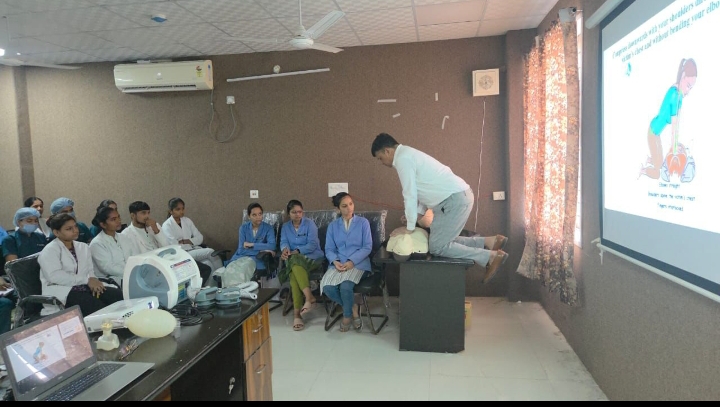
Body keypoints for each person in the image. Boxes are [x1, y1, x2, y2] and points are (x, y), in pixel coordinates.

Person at [371, 133, 509, 283]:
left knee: (438, 247)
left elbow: (409, 194)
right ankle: (489, 241)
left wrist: (409, 228)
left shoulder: (402, 159)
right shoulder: (408, 154)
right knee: (445, 239)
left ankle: (490, 257)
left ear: (387, 151)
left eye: (380, 158)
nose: (381, 162)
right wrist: (415, 217)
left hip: (453, 200)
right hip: (456, 198)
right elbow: (421, 191)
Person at [37, 213, 124, 317]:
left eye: (75, 226)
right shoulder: (49, 251)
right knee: (96, 307)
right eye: (69, 229)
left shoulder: (83, 247)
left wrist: (93, 281)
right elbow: (55, 277)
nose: (75, 230)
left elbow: (90, 271)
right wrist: (86, 280)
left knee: (117, 296)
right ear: (56, 232)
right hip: (64, 291)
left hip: (85, 286)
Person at [123, 201, 213, 285]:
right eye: (143, 213)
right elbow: (132, 259)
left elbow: (167, 246)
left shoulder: (155, 226)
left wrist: (156, 231)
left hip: (167, 259)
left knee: (204, 269)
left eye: (148, 213)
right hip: (152, 266)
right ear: (133, 215)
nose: (147, 216)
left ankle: (192, 292)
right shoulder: (127, 234)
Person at [321, 193, 372, 332]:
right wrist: (335, 261)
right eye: (344, 206)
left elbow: (367, 247)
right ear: (338, 209)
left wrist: (352, 261)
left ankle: (347, 316)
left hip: (359, 263)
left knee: (345, 287)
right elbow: (329, 249)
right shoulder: (333, 226)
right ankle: (353, 307)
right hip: (339, 264)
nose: (349, 208)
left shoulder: (363, 223)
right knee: (327, 287)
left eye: (351, 204)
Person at [640, 58, 697, 180]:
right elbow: (674, 128)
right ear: (683, 76)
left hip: (656, 133)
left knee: (660, 163)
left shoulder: (679, 95)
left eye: (691, 88)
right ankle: (643, 170)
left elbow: (678, 124)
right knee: (657, 174)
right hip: (653, 133)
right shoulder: (674, 96)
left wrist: (676, 146)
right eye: (688, 86)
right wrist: (674, 150)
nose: (688, 91)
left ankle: (651, 160)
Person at [0, 208, 48, 335]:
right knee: (28, 299)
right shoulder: (10, 240)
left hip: (42, 275)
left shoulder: (40, 237)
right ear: (19, 222)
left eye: (35, 221)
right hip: (20, 279)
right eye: (29, 221)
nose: (33, 223)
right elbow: (13, 266)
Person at [279, 199, 324, 331]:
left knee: (294, 263)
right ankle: (309, 299)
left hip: (313, 257)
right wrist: (285, 250)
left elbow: (312, 245)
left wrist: (296, 251)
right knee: (294, 272)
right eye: (294, 212)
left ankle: (297, 314)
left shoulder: (310, 224)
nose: (297, 214)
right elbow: (283, 242)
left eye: (300, 212)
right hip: (294, 259)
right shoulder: (285, 227)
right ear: (289, 213)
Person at [161, 197, 223, 275]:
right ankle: (222, 275)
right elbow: (174, 246)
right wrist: (190, 242)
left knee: (207, 263)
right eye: (178, 209)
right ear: (171, 211)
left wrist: (187, 241)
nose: (181, 211)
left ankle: (215, 281)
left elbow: (200, 238)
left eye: (183, 208)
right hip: (182, 254)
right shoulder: (167, 225)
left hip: (192, 250)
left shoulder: (187, 221)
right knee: (210, 252)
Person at [89, 205, 138, 287]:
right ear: (103, 224)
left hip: (130, 274)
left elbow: (134, 256)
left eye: (118, 217)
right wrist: (131, 272)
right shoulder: (97, 243)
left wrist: (136, 270)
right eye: (113, 219)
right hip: (111, 281)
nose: (118, 221)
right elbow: (108, 268)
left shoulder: (124, 237)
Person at [229, 202, 277, 271]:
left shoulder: (268, 228)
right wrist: (262, 250)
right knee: (230, 272)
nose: (258, 217)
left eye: (260, 214)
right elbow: (241, 250)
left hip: (257, 260)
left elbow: (272, 246)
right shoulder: (243, 228)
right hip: (240, 258)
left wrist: (252, 245)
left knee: (244, 271)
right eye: (254, 215)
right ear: (249, 216)